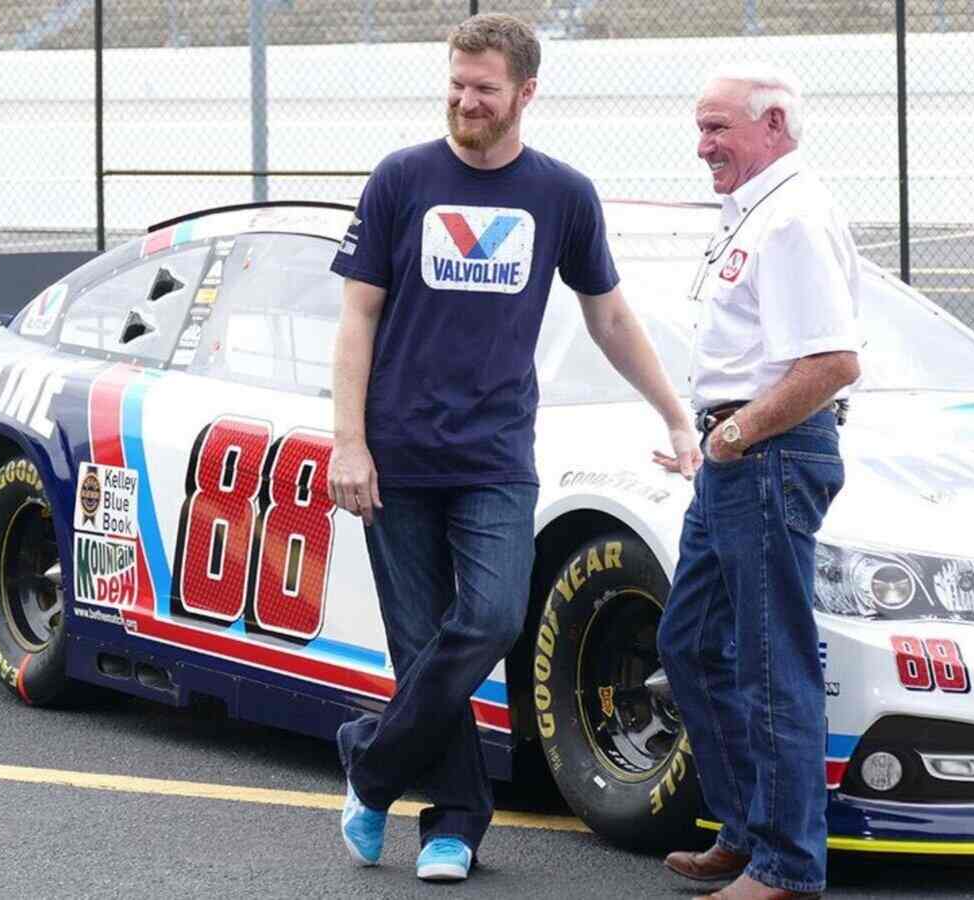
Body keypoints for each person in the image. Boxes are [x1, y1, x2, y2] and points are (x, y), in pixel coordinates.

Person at [326, 12, 699, 884]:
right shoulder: (401, 179)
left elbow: (608, 315)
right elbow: (357, 318)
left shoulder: (561, 194)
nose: (466, 101)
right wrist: (349, 441)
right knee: (423, 652)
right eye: (456, 84)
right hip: (395, 457)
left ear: (525, 93)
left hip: (494, 455)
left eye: (484, 89)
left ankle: (370, 760)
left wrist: (675, 414)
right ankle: (455, 826)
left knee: (492, 620)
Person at [652, 65, 861, 900]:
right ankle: (746, 832)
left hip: (767, 452)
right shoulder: (758, 212)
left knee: (772, 665)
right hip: (736, 456)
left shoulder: (795, 219)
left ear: (774, 124)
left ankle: (785, 867)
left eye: (717, 129)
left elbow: (833, 361)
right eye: (700, 130)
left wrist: (737, 433)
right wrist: (717, 439)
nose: (702, 147)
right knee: (693, 644)